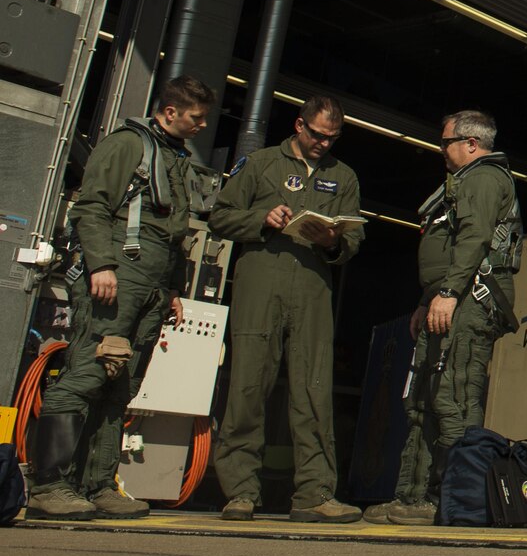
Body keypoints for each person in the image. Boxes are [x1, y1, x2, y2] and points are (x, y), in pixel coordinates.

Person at [26, 76, 218, 520]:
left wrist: (171, 289)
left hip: (150, 285)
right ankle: (50, 485)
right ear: (169, 112)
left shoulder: (175, 157)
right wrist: (101, 264)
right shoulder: (128, 145)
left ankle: (97, 483)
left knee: (121, 386)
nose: (202, 125)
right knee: (87, 374)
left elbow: (171, 233)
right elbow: (90, 206)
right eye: (196, 117)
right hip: (118, 276)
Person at [208, 96, 365, 523]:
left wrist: (335, 241)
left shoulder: (343, 176)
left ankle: (314, 494)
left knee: (313, 390)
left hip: (313, 288)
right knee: (247, 386)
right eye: (316, 135)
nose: (323, 144)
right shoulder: (259, 163)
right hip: (261, 282)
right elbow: (220, 217)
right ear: (299, 125)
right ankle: (240, 492)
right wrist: (262, 218)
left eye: (332, 138)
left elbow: (353, 240)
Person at [365, 110, 523, 525]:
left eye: (446, 142)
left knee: (454, 397)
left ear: (471, 144)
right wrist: (427, 299)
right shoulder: (464, 182)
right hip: (447, 298)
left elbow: (474, 240)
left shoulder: (486, 179)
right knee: (422, 399)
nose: (441, 150)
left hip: (471, 298)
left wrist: (450, 293)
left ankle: (451, 500)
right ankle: (412, 497)